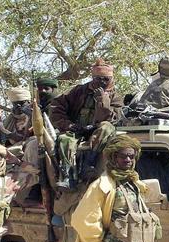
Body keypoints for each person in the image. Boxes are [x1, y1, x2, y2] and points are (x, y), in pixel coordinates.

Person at [50, 59, 123, 190]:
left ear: (111, 79)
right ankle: (68, 176)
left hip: (97, 131)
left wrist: (102, 101)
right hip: (77, 129)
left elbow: (113, 118)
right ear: (92, 78)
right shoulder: (79, 91)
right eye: (98, 79)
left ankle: (89, 164)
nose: (102, 82)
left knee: (106, 127)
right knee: (64, 139)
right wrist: (68, 125)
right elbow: (56, 106)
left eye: (105, 79)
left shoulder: (116, 97)